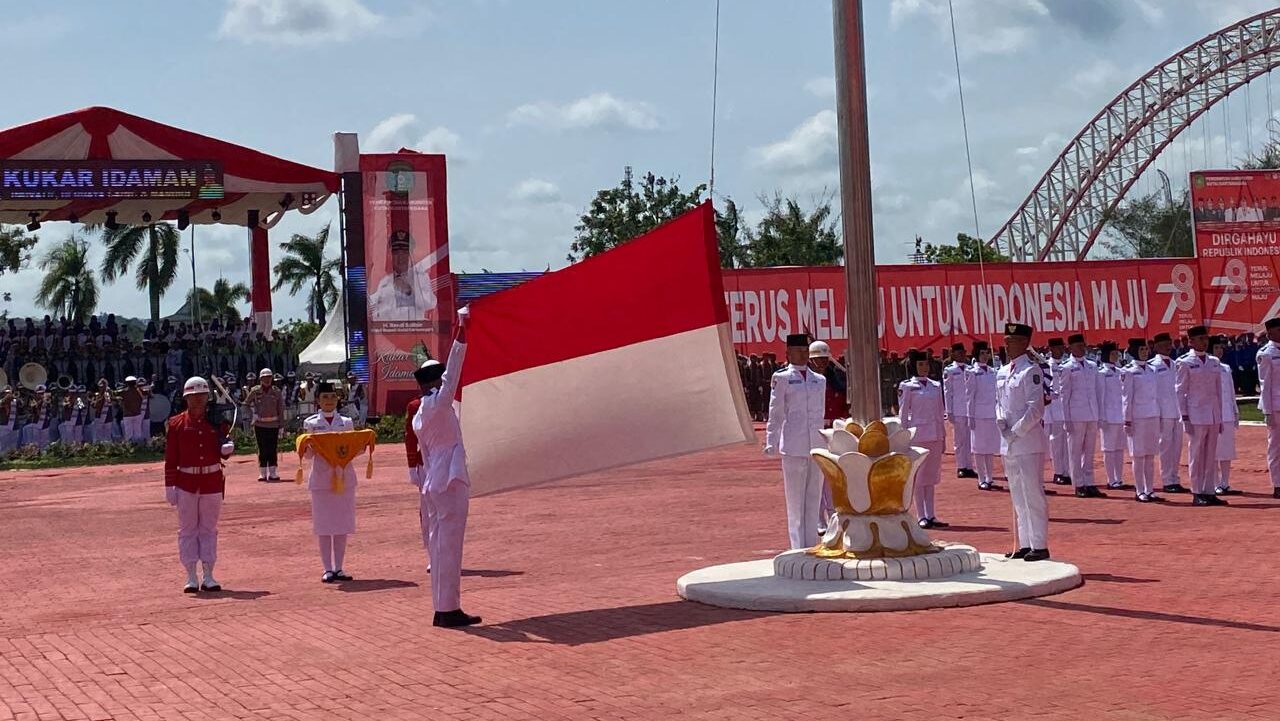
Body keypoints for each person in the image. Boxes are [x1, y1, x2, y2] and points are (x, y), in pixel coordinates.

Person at [411, 308, 479, 628]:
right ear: (434, 382)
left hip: (433, 481)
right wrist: (462, 331)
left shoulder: (419, 416)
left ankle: (442, 606)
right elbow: (454, 370)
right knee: (449, 545)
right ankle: (449, 608)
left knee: (439, 546)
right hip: (450, 479)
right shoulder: (438, 404)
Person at [164, 376, 235, 593]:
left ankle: (209, 574)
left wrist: (228, 449)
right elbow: (171, 457)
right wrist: (170, 485)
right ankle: (190, 575)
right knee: (187, 530)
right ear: (186, 398)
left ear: (208, 397)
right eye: (193, 396)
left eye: (202, 396)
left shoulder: (217, 421)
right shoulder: (176, 424)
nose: (197, 400)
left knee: (208, 529)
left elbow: (225, 447)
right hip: (186, 482)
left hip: (211, 482)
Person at [764, 333, 827, 550]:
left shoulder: (819, 380)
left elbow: (820, 413)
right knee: (795, 501)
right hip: (793, 445)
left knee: (813, 498)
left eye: (804, 350)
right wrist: (771, 440)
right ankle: (798, 547)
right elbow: (776, 412)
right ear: (788, 353)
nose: (802, 354)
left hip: (816, 445)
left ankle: (812, 545)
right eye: (797, 350)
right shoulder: (781, 378)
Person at [996, 323, 1051, 562]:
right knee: (1017, 494)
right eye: (1006, 340)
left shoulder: (1032, 371)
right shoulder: (1002, 371)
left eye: (1012, 340)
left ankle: (1039, 544)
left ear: (1023, 342)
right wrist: (999, 419)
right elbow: (1000, 402)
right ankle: (1025, 543)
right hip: (1008, 442)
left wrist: (1015, 431)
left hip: (1027, 441)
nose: (1007, 344)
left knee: (1032, 493)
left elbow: (1035, 408)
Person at [302, 382, 361, 583]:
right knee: (324, 525)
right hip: (321, 478)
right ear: (317, 400)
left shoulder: (346, 422)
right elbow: (308, 456)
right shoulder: (311, 423)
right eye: (325, 397)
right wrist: (306, 446)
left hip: (344, 477)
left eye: (332, 397)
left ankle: (340, 567)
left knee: (342, 524)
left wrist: (362, 445)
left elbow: (354, 448)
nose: (329, 401)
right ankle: (327, 568)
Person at [1175, 326, 1227, 506]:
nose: (1204, 342)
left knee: (1211, 454)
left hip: (1212, 413)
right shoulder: (1184, 362)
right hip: (1196, 413)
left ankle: (1209, 490)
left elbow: (1218, 391)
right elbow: (1180, 392)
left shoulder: (1214, 362)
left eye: (1206, 338)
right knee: (1196, 454)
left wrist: (1219, 415)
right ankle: (1197, 491)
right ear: (1191, 342)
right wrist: (1185, 417)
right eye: (1200, 339)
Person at [899, 350, 947, 528]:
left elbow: (939, 411)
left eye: (926, 364)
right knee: (919, 476)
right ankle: (921, 515)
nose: (924, 368)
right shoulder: (907, 386)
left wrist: (943, 436)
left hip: (934, 434)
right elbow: (903, 414)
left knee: (932, 476)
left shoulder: (935, 385)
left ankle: (932, 514)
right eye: (920, 365)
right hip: (918, 435)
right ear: (913, 366)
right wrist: (903, 437)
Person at [1059, 333, 1104, 498]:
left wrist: (1099, 414)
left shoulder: (1092, 366)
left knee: (1090, 451)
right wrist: (1066, 419)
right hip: (1075, 414)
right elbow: (1065, 395)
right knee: (1075, 451)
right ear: (1070, 348)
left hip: (1092, 413)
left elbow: (1098, 391)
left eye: (1083, 345)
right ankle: (1078, 484)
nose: (1081, 348)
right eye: (1078, 346)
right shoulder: (1066, 367)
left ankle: (1090, 482)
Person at [1122, 339, 1162, 503]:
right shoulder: (1129, 371)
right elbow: (1126, 397)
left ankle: (1150, 489)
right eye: (1142, 349)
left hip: (1152, 414)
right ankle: (1139, 490)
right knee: (1138, 456)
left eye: (1146, 349)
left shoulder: (1152, 369)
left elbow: (1156, 394)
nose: (1145, 352)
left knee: (1150, 455)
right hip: (1137, 416)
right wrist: (1127, 419)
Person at [370, 231, 440, 321]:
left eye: (404, 253)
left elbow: (430, 304)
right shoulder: (385, 282)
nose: (400, 257)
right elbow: (376, 311)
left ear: (410, 256)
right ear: (391, 257)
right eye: (396, 253)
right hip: (390, 331)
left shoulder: (420, 278)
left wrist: (409, 291)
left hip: (416, 331)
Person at [1150, 332, 1186, 494]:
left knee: (1176, 447)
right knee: (1165, 447)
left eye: (1169, 343)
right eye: (1165, 343)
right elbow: (1153, 392)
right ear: (1156, 346)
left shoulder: (1175, 364)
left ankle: (1174, 478)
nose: (1168, 346)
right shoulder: (1152, 365)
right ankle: (1167, 480)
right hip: (1163, 412)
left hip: (1176, 411)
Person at [965, 341, 1000, 491]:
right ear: (976, 355)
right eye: (982, 353)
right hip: (978, 414)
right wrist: (970, 416)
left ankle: (990, 477)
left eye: (986, 353)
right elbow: (969, 396)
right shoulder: (972, 372)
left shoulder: (993, 372)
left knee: (990, 447)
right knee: (979, 448)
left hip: (991, 413)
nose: (985, 356)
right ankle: (981, 478)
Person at [1211, 336, 1241, 496]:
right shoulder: (1208, 367)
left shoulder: (1225, 368)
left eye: (1220, 348)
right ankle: (1215, 483)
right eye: (1216, 348)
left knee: (1227, 450)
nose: (1219, 351)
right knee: (1214, 451)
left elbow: (1230, 392)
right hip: (1213, 414)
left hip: (1227, 413)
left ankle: (1225, 482)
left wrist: (1235, 411)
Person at [942, 342, 975, 481]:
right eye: (958, 352)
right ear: (953, 354)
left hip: (970, 409)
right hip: (958, 409)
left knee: (969, 440)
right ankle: (961, 466)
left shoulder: (970, 369)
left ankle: (969, 466)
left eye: (963, 352)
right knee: (959, 440)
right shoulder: (950, 370)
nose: (962, 354)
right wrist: (949, 410)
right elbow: (947, 391)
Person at [245, 368, 285, 482]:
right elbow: (246, 404)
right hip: (260, 425)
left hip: (273, 425)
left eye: (269, 377)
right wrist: (253, 415)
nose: (267, 380)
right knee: (262, 449)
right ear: (260, 379)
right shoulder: (255, 391)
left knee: (272, 448)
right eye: (264, 378)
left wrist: (281, 425)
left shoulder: (276, 392)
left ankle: (273, 472)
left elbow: (281, 409)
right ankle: (262, 472)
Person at [1097, 342, 1126, 490]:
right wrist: (1101, 417)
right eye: (1113, 354)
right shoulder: (1101, 373)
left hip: (1120, 416)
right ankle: (1111, 479)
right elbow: (1100, 397)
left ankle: (1119, 478)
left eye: (1117, 354)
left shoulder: (1121, 372)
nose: (1116, 356)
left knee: (1119, 448)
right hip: (1108, 416)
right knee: (1108, 449)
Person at [1044, 338, 1071, 486]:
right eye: (1058, 348)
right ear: (1051, 350)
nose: (1061, 350)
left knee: (1067, 443)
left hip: (1067, 408)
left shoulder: (1067, 365)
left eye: (1062, 347)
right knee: (1056, 441)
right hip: (1054, 408)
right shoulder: (1047, 366)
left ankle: (1068, 471)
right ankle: (1058, 472)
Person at [1258, 318, 1280, 499]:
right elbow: (1265, 384)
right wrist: (1267, 411)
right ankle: (1277, 484)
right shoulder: (1266, 353)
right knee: (1275, 446)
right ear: (1270, 333)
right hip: (1276, 406)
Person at [118, 376, 146, 443]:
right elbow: (142, 399)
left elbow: (121, 401)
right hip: (137, 414)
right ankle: (139, 446)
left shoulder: (124, 392)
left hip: (128, 414)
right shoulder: (139, 391)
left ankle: (130, 447)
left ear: (127, 383)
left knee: (128, 432)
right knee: (137, 431)